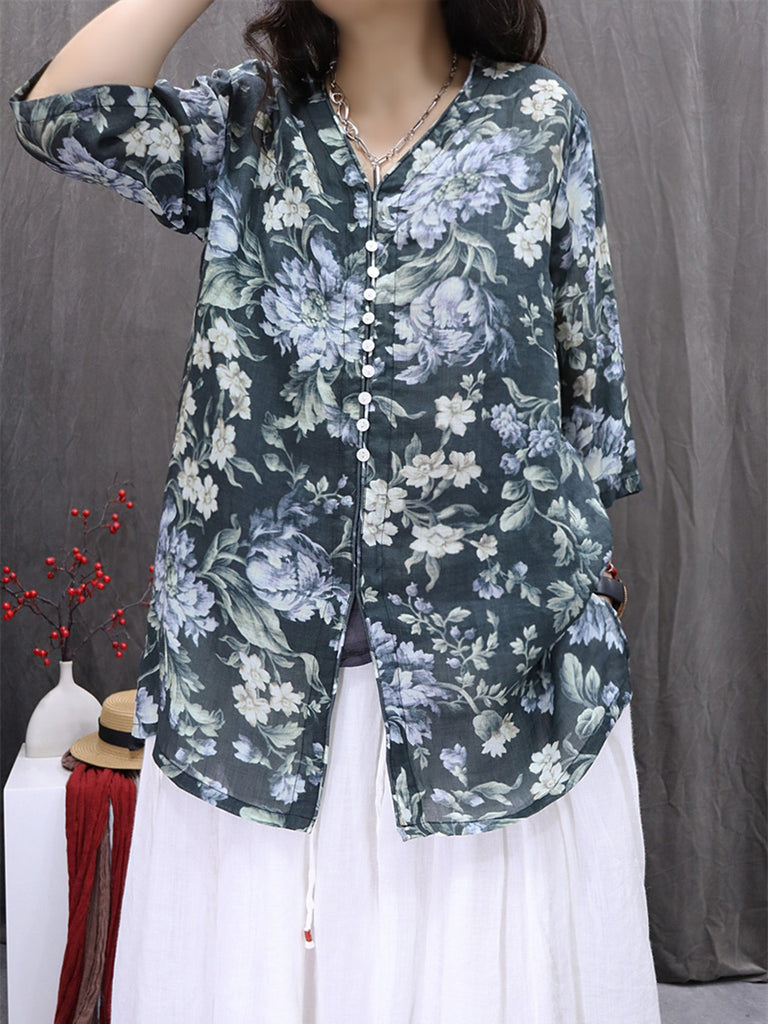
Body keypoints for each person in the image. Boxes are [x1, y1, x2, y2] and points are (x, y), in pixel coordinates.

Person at [10, 1, 662, 1020]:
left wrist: (582, 606)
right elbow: (58, 115)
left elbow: (589, 398)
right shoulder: (250, 123)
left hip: (487, 682)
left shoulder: (538, 119)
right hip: (261, 681)